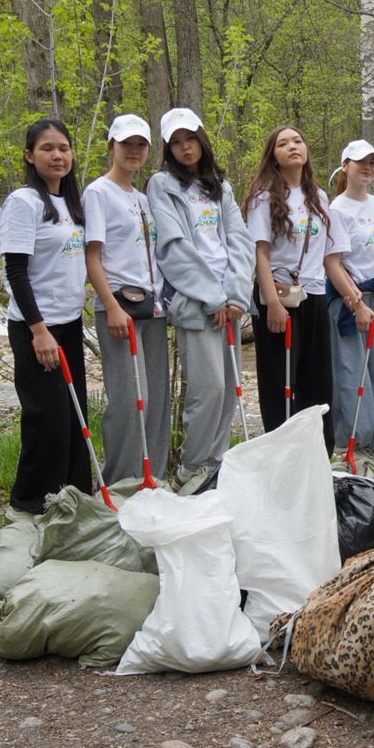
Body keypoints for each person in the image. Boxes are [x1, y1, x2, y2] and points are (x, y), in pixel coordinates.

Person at [146, 108, 254, 488]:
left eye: (189, 139)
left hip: (230, 301)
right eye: (175, 142)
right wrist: (214, 298)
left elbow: (239, 241)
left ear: (201, 140)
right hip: (198, 305)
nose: (184, 147)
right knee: (208, 390)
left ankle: (216, 462)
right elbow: (173, 248)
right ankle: (191, 468)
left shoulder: (219, 187)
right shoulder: (161, 185)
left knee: (229, 389)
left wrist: (237, 294)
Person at [0, 119, 90, 515]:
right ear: (29, 155)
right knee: (45, 420)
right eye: (47, 148)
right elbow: (16, 271)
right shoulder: (24, 202)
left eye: (64, 148)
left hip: (68, 324)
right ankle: (33, 502)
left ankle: (73, 496)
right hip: (36, 327)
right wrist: (39, 331)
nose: (57, 155)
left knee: (73, 417)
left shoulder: (69, 204)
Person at [83, 113, 170, 483]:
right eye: (126, 144)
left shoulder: (143, 197)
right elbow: (92, 256)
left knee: (156, 400)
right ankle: (121, 481)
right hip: (119, 307)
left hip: (152, 305)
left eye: (140, 145)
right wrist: (112, 307)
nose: (133, 151)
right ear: (111, 146)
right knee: (130, 398)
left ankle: (154, 478)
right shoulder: (98, 193)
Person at [247, 125, 336, 451]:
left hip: (314, 296)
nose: (293, 147)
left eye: (298, 140)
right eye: (283, 144)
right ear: (273, 155)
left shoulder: (319, 196)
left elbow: (328, 257)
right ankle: (281, 456)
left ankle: (319, 455)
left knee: (318, 382)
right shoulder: (264, 196)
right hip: (279, 298)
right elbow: (260, 252)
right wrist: (271, 303)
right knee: (280, 384)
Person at [326, 139, 374, 470]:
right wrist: (355, 303)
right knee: (352, 371)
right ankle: (354, 442)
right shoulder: (337, 209)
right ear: (345, 166)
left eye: (372, 162)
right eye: (360, 162)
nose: (367, 167)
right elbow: (333, 262)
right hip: (350, 297)